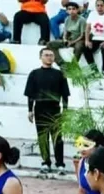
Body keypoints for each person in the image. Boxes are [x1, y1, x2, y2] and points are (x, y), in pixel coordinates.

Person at [25, 47, 71, 175]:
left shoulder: (60, 74)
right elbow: (30, 94)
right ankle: (45, 162)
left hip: (55, 109)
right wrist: (30, 110)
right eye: (46, 55)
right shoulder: (34, 74)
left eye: (51, 55)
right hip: (40, 108)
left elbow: (65, 94)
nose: (49, 57)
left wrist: (66, 110)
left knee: (58, 137)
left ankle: (60, 164)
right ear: (41, 57)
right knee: (42, 137)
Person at [48, 1, 87, 66]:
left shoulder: (82, 20)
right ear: (66, 11)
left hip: (78, 40)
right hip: (69, 39)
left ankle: (73, 65)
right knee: (50, 44)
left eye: (73, 9)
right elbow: (65, 32)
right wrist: (65, 39)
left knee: (79, 46)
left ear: (77, 10)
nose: (71, 11)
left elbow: (82, 35)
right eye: (69, 9)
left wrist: (73, 42)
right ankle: (61, 63)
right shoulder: (67, 19)